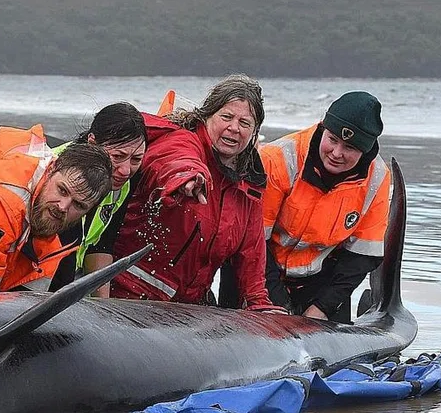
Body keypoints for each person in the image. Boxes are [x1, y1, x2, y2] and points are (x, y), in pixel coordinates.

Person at [109, 74, 284, 311]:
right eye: (226, 117)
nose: (234, 128)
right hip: (129, 294)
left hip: (187, 307)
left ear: (254, 131)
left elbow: (251, 255)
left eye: (245, 123)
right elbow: (172, 160)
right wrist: (185, 177)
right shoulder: (182, 140)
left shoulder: (248, 186)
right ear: (207, 115)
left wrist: (258, 303)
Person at [260, 91, 391, 322]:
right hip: (259, 272)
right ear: (323, 127)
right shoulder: (278, 157)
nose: (336, 153)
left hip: (321, 280)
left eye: (350, 148)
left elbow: (362, 256)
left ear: (365, 151)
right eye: (332, 139)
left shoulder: (378, 177)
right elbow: (252, 241)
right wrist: (280, 307)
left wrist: (322, 308)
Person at [0, 125, 113, 292]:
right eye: (62, 190)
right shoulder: (5, 201)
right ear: (51, 169)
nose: (63, 206)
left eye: (79, 205)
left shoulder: (67, 236)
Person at [49, 102, 147, 296]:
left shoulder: (124, 181)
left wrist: (102, 308)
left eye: (136, 159)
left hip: (71, 277)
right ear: (92, 143)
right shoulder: (55, 171)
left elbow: (102, 242)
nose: (126, 170)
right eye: (118, 156)